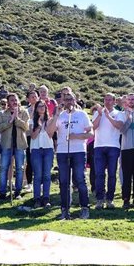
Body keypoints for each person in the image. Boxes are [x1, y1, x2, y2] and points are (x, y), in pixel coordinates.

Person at [47, 91, 93, 220]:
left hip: (78, 151)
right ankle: (65, 209)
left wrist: (76, 136)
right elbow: (50, 133)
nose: (68, 102)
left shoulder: (82, 114)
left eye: (71, 99)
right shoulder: (60, 115)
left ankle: (84, 208)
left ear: (75, 100)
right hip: (62, 151)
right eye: (66, 99)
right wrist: (56, 115)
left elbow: (91, 133)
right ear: (63, 101)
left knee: (80, 179)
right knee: (64, 181)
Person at [92, 93, 123, 209]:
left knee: (111, 174)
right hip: (99, 146)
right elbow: (93, 127)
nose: (107, 102)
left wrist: (108, 116)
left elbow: (119, 126)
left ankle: (110, 199)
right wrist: (100, 115)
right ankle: (100, 199)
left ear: (114, 101)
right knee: (99, 174)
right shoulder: (97, 113)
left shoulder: (118, 113)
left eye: (110, 100)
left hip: (113, 146)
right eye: (106, 100)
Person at [0, 93, 29, 200]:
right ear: (8, 103)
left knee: (20, 168)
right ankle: (2, 192)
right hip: (6, 144)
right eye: (12, 100)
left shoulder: (24, 112)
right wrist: (10, 120)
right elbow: (0, 128)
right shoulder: (2, 113)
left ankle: (17, 192)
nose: (14, 102)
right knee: (4, 168)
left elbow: (26, 127)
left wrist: (17, 118)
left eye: (16, 100)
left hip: (19, 144)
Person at [30, 99, 54, 208]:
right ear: (36, 108)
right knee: (38, 175)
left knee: (47, 175)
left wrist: (45, 124)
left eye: (43, 106)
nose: (41, 108)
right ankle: (37, 198)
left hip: (48, 149)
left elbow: (50, 134)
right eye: (39, 106)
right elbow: (33, 136)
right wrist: (39, 126)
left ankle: (46, 198)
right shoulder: (32, 121)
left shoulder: (50, 120)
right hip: (36, 149)